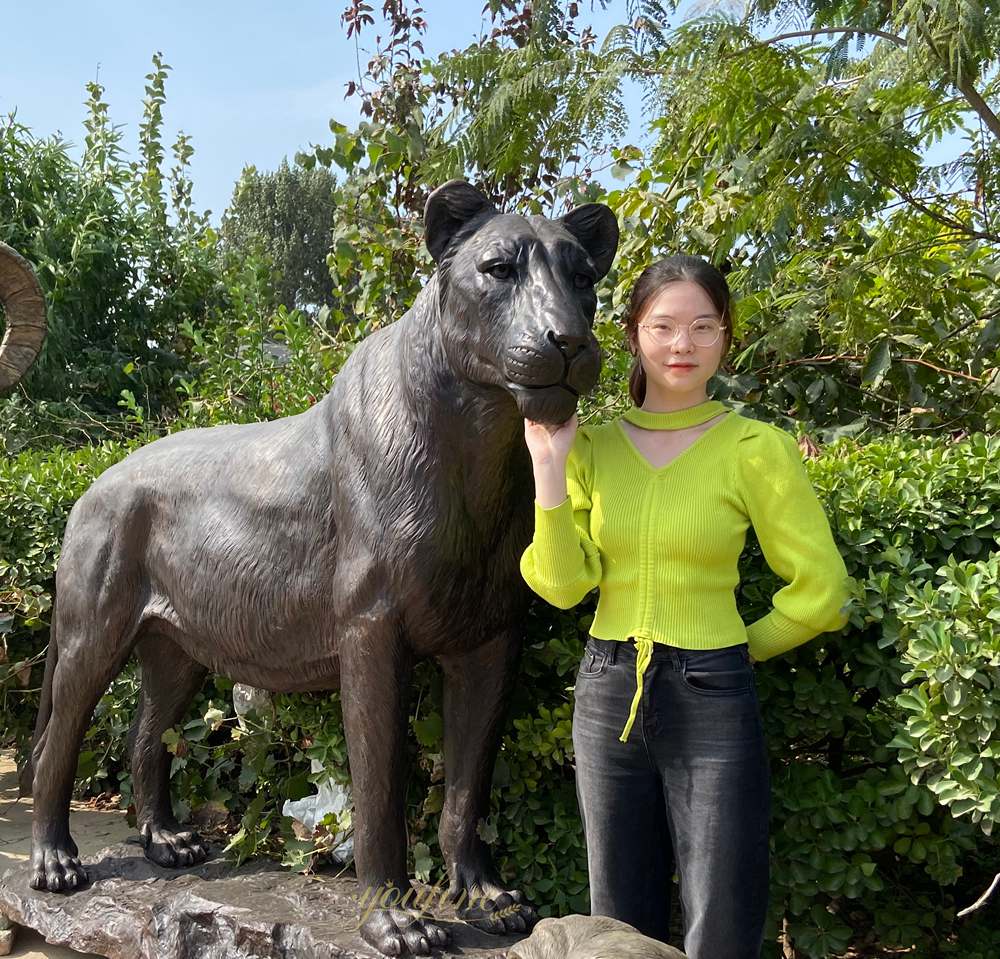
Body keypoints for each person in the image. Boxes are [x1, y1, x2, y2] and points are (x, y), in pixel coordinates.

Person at [519, 255, 854, 959]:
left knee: (722, 913)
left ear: (726, 336)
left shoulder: (753, 448)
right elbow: (560, 584)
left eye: (703, 327)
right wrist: (549, 469)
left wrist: (733, 648)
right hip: (607, 692)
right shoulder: (593, 448)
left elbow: (821, 592)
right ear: (634, 334)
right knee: (615, 922)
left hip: (714, 696)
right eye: (663, 326)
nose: (682, 345)